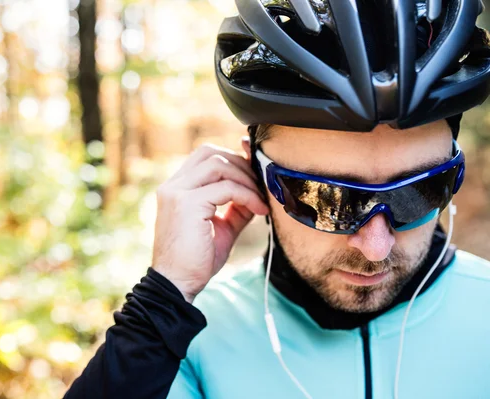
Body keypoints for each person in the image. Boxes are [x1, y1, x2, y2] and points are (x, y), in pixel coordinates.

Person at [64, 0, 490, 398]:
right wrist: (158, 310)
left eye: (418, 191)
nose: (376, 247)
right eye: (324, 198)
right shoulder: (189, 340)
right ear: (254, 173)